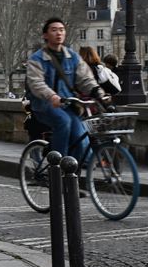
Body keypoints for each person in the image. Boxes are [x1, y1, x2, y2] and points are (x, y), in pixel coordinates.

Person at [25, 18, 109, 162]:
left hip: (67, 104)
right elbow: (36, 83)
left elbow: (85, 79)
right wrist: (51, 96)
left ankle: (72, 174)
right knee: (63, 122)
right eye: (54, 30)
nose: (59, 33)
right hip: (44, 105)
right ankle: (57, 165)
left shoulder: (72, 56)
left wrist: (98, 93)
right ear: (45, 35)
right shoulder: (36, 59)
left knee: (80, 137)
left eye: (61, 30)